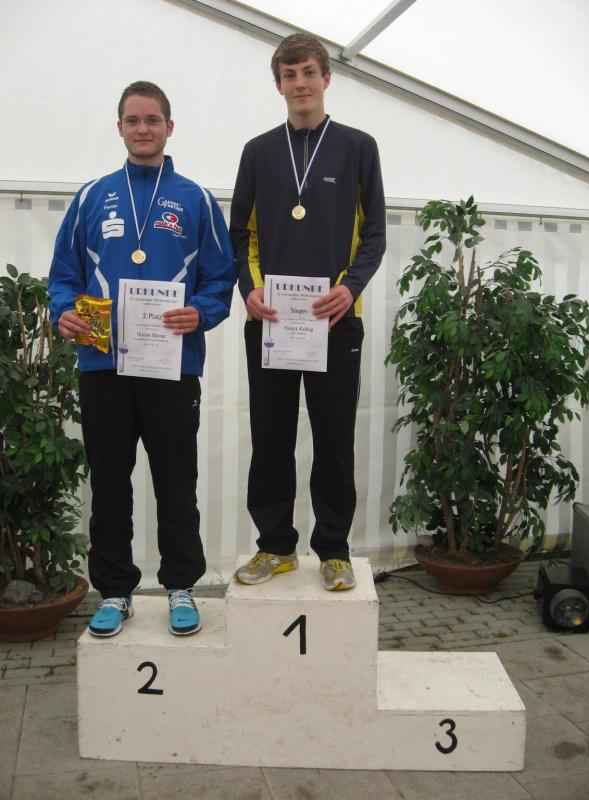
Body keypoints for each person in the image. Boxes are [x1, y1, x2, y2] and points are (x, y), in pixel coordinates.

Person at [49, 81, 235, 636]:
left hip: (171, 367)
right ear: (120, 127)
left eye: (153, 120)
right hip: (102, 364)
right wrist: (63, 312)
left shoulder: (196, 199)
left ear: (169, 127)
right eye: (133, 120)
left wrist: (200, 312)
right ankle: (114, 591)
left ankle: (181, 586)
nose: (143, 129)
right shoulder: (92, 196)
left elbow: (220, 279)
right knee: (110, 484)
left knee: (176, 481)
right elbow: (64, 275)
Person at [230, 34, 386, 590]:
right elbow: (239, 233)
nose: (300, 83)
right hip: (270, 321)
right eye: (289, 74)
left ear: (327, 78)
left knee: (334, 438)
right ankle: (275, 546)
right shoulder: (257, 151)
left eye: (309, 72)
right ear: (278, 85)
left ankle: (334, 550)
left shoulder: (358, 147)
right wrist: (249, 289)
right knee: (271, 437)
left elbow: (374, 234)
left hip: (336, 319)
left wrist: (351, 287)